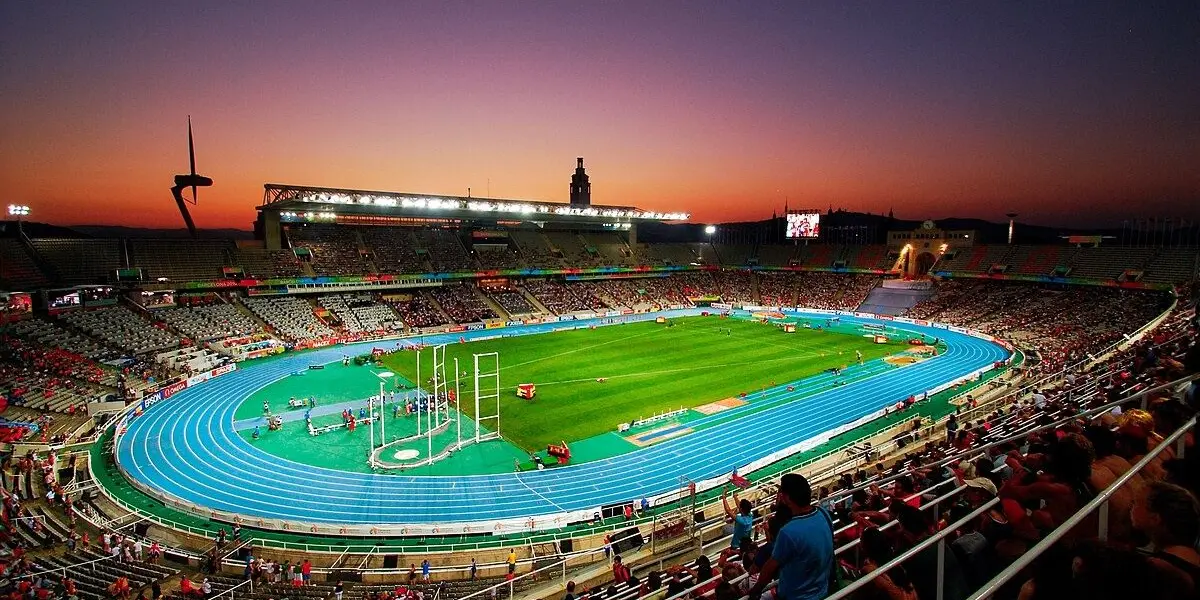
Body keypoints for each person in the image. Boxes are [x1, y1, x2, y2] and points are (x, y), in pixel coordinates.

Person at [747, 473, 833, 600]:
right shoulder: (824, 514)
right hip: (823, 590)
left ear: (786, 498)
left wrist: (755, 591)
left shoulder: (788, 531)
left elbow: (770, 568)